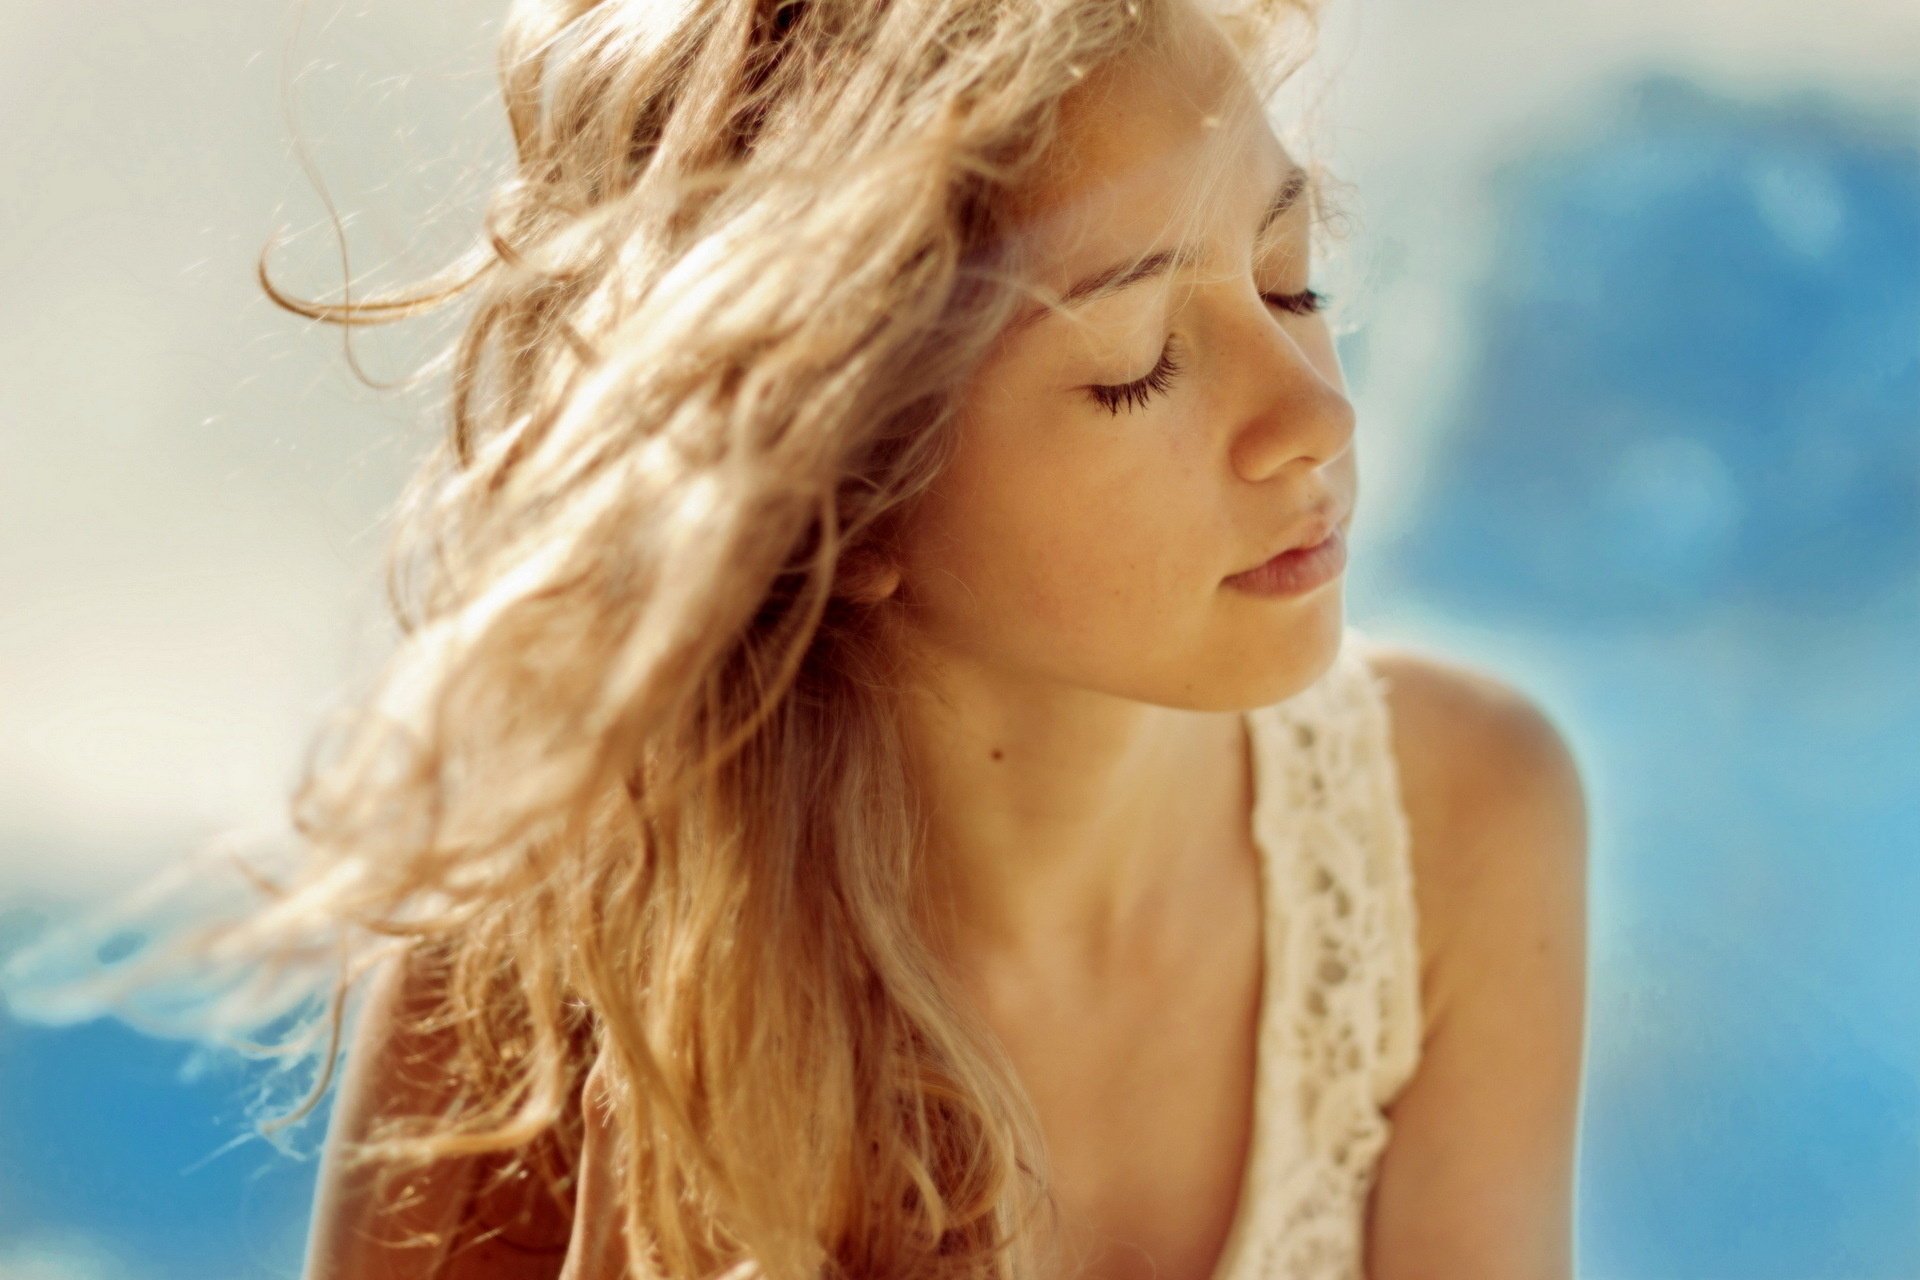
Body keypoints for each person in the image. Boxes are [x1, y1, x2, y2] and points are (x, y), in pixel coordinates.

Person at [16, 1, 1589, 1277]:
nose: (1315, 416)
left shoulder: (1454, 827)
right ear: (849, 493)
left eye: (1289, 279)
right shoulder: (540, 968)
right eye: (1135, 365)